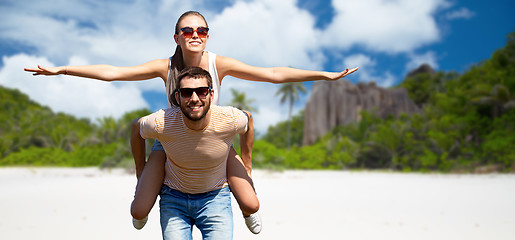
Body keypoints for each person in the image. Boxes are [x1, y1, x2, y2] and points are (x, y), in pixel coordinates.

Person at [24, 10, 358, 234]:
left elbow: (271, 74)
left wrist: (324, 76)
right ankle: (149, 193)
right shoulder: (164, 66)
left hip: (213, 140)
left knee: (251, 201)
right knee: (139, 211)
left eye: (201, 30)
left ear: (208, 36)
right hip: (172, 140)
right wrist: (62, 69)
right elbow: (114, 74)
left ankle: (244, 207)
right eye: (187, 30)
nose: (194, 34)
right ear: (177, 37)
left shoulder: (219, 64)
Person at [133, 67, 248, 239]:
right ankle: (143, 204)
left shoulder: (230, 119)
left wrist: (248, 162)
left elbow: (249, 120)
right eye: (187, 93)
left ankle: (249, 212)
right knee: (138, 210)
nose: (194, 99)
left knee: (252, 204)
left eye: (201, 91)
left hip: (215, 197)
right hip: (174, 197)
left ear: (211, 94)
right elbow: (136, 127)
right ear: (178, 97)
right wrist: (140, 171)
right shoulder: (161, 122)